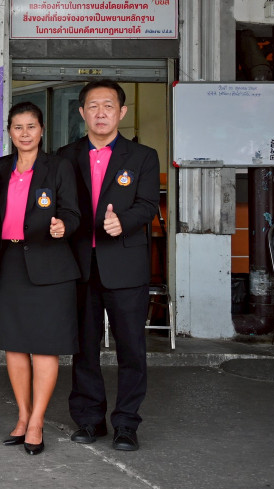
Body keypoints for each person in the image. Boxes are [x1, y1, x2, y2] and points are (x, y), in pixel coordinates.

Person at [59, 80, 160, 453]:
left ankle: (127, 423)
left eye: (108, 106)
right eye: (93, 106)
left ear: (122, 112)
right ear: (82, 112)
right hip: (80, 266)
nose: (100, 113)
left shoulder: (143, 156)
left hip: (125, 265)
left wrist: (124, 221)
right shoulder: (65, 156)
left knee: (131, 348)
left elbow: (148, 204)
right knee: (83, 347)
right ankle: (89, 419)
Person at [0, 101, 81, 456]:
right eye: (18, 127)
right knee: (13, 345)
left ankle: (38, 420)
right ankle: (23, 416)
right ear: (9, 132)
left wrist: (63, 225)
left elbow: (72, 212)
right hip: (7, 264)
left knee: (43, 346)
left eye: (31, 126)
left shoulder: (58, 166)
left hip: (48, 264)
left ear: (41, 130)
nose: (24, 134)